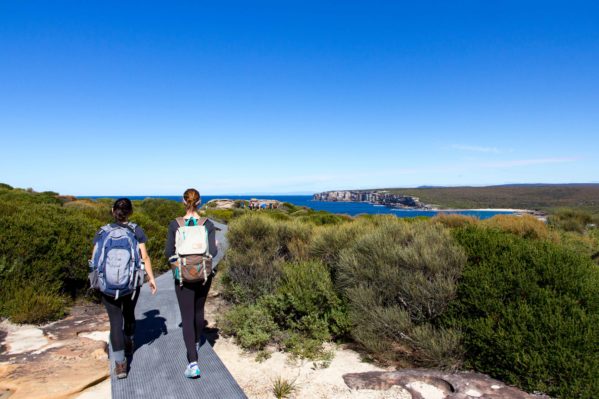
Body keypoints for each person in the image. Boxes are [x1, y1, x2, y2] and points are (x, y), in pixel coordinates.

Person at [92, 198, 157, 379]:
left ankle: (120, 366)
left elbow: (95, 259)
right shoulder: (136, 231)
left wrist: (96, 281)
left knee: (115, 322)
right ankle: (129, 342)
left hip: (108, 286)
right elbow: (145, 257)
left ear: (113, 211)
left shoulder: (102, 232)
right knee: (128, 313)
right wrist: (151, 278)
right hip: (130, 284)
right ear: (130, 212)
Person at [165, 188, 218, 378]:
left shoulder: (175, 224)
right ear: (200, 202)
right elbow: (213, 250)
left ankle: (193, 362)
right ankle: (196, 341)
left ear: (183, 201)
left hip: (183, 275)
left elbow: (167, 252)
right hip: (204, 273)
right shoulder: (207, 224)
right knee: (198, 310)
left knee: (186, 315)